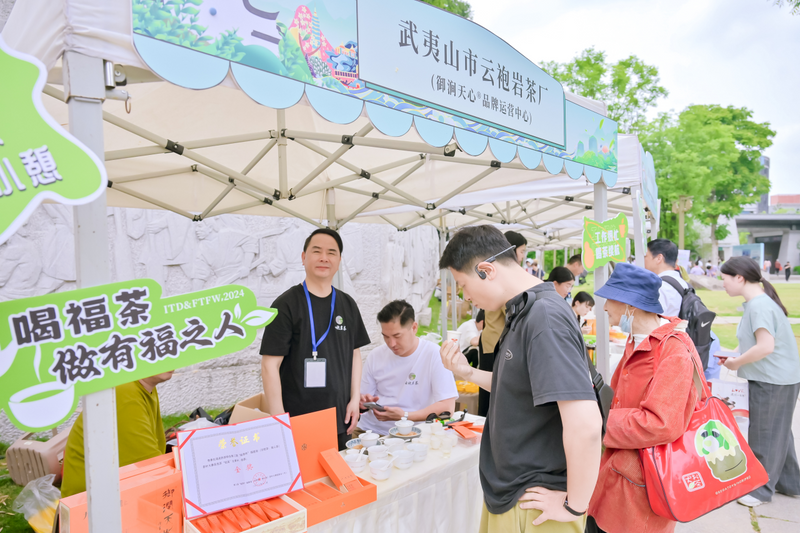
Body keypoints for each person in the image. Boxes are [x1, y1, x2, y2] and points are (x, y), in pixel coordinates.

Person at [439, 225, 602, 533]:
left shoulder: (544, 317)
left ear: (486, 270)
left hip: (535, 504)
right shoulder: (522, 312)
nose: (465, 295)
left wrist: (576, 504)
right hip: (515, 495)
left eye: (463, 284)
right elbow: (518, 387)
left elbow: (586, 425)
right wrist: (467, 372)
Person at [586, 263, 704, 533]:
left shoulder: (673, 350)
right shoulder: (636, 339)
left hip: (642, 492)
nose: (603, 309)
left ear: (630, 305)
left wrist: (599, 423)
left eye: (609, 301)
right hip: (617, 477)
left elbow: (661, 422)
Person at [260, 228, 371, 450]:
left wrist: (354, 399)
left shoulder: (347, 304)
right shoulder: (286, 305)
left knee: (337, 479)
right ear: (303, 257)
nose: (324, 258)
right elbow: (269, 364)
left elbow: (355, 354)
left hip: (340, 416)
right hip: (299, 419)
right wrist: (278, 418)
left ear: (339, 260)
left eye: (331, 252)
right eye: (316, 251)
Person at [717, 256, 800, 507]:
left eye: (725, 279)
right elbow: (757, 343)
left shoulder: (758, 306)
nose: (723, 284)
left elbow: (765, 347)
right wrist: (736, 355)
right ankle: (790, 483)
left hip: (773, 379)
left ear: (739, 278)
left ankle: (761, 491)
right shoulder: (758, 303)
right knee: (779, 434)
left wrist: (736, 362)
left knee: (765, 434)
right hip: (779, 377)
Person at [61, 372, 174, 497]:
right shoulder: (125, 391)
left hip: (108, 495)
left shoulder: (142, 387)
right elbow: (153, 470)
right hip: (88, 507)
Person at [357, 300, 458, 435]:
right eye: (386, 337)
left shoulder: (434, 354)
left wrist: (405, 416)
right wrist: (363, 403)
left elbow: (447, 407)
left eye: (397, 336)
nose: (391, 343)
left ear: (414, 328)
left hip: (413, 432)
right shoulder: (375, 356)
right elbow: (363, 398)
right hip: (371, 431)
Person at [476, 230, 527, 416]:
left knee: (489, 392)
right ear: (511, 251)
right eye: (522, 251)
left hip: (491, 341)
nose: (523, 257)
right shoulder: (501, 278)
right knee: (493, 394)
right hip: (495, 345)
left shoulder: (494, 274)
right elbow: (512, 311)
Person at [644, 239, 688, 317]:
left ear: (659, 258)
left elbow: (654, 322)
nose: (644, 260)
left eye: (646, 256)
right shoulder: (685, 284)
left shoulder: (659, 287)